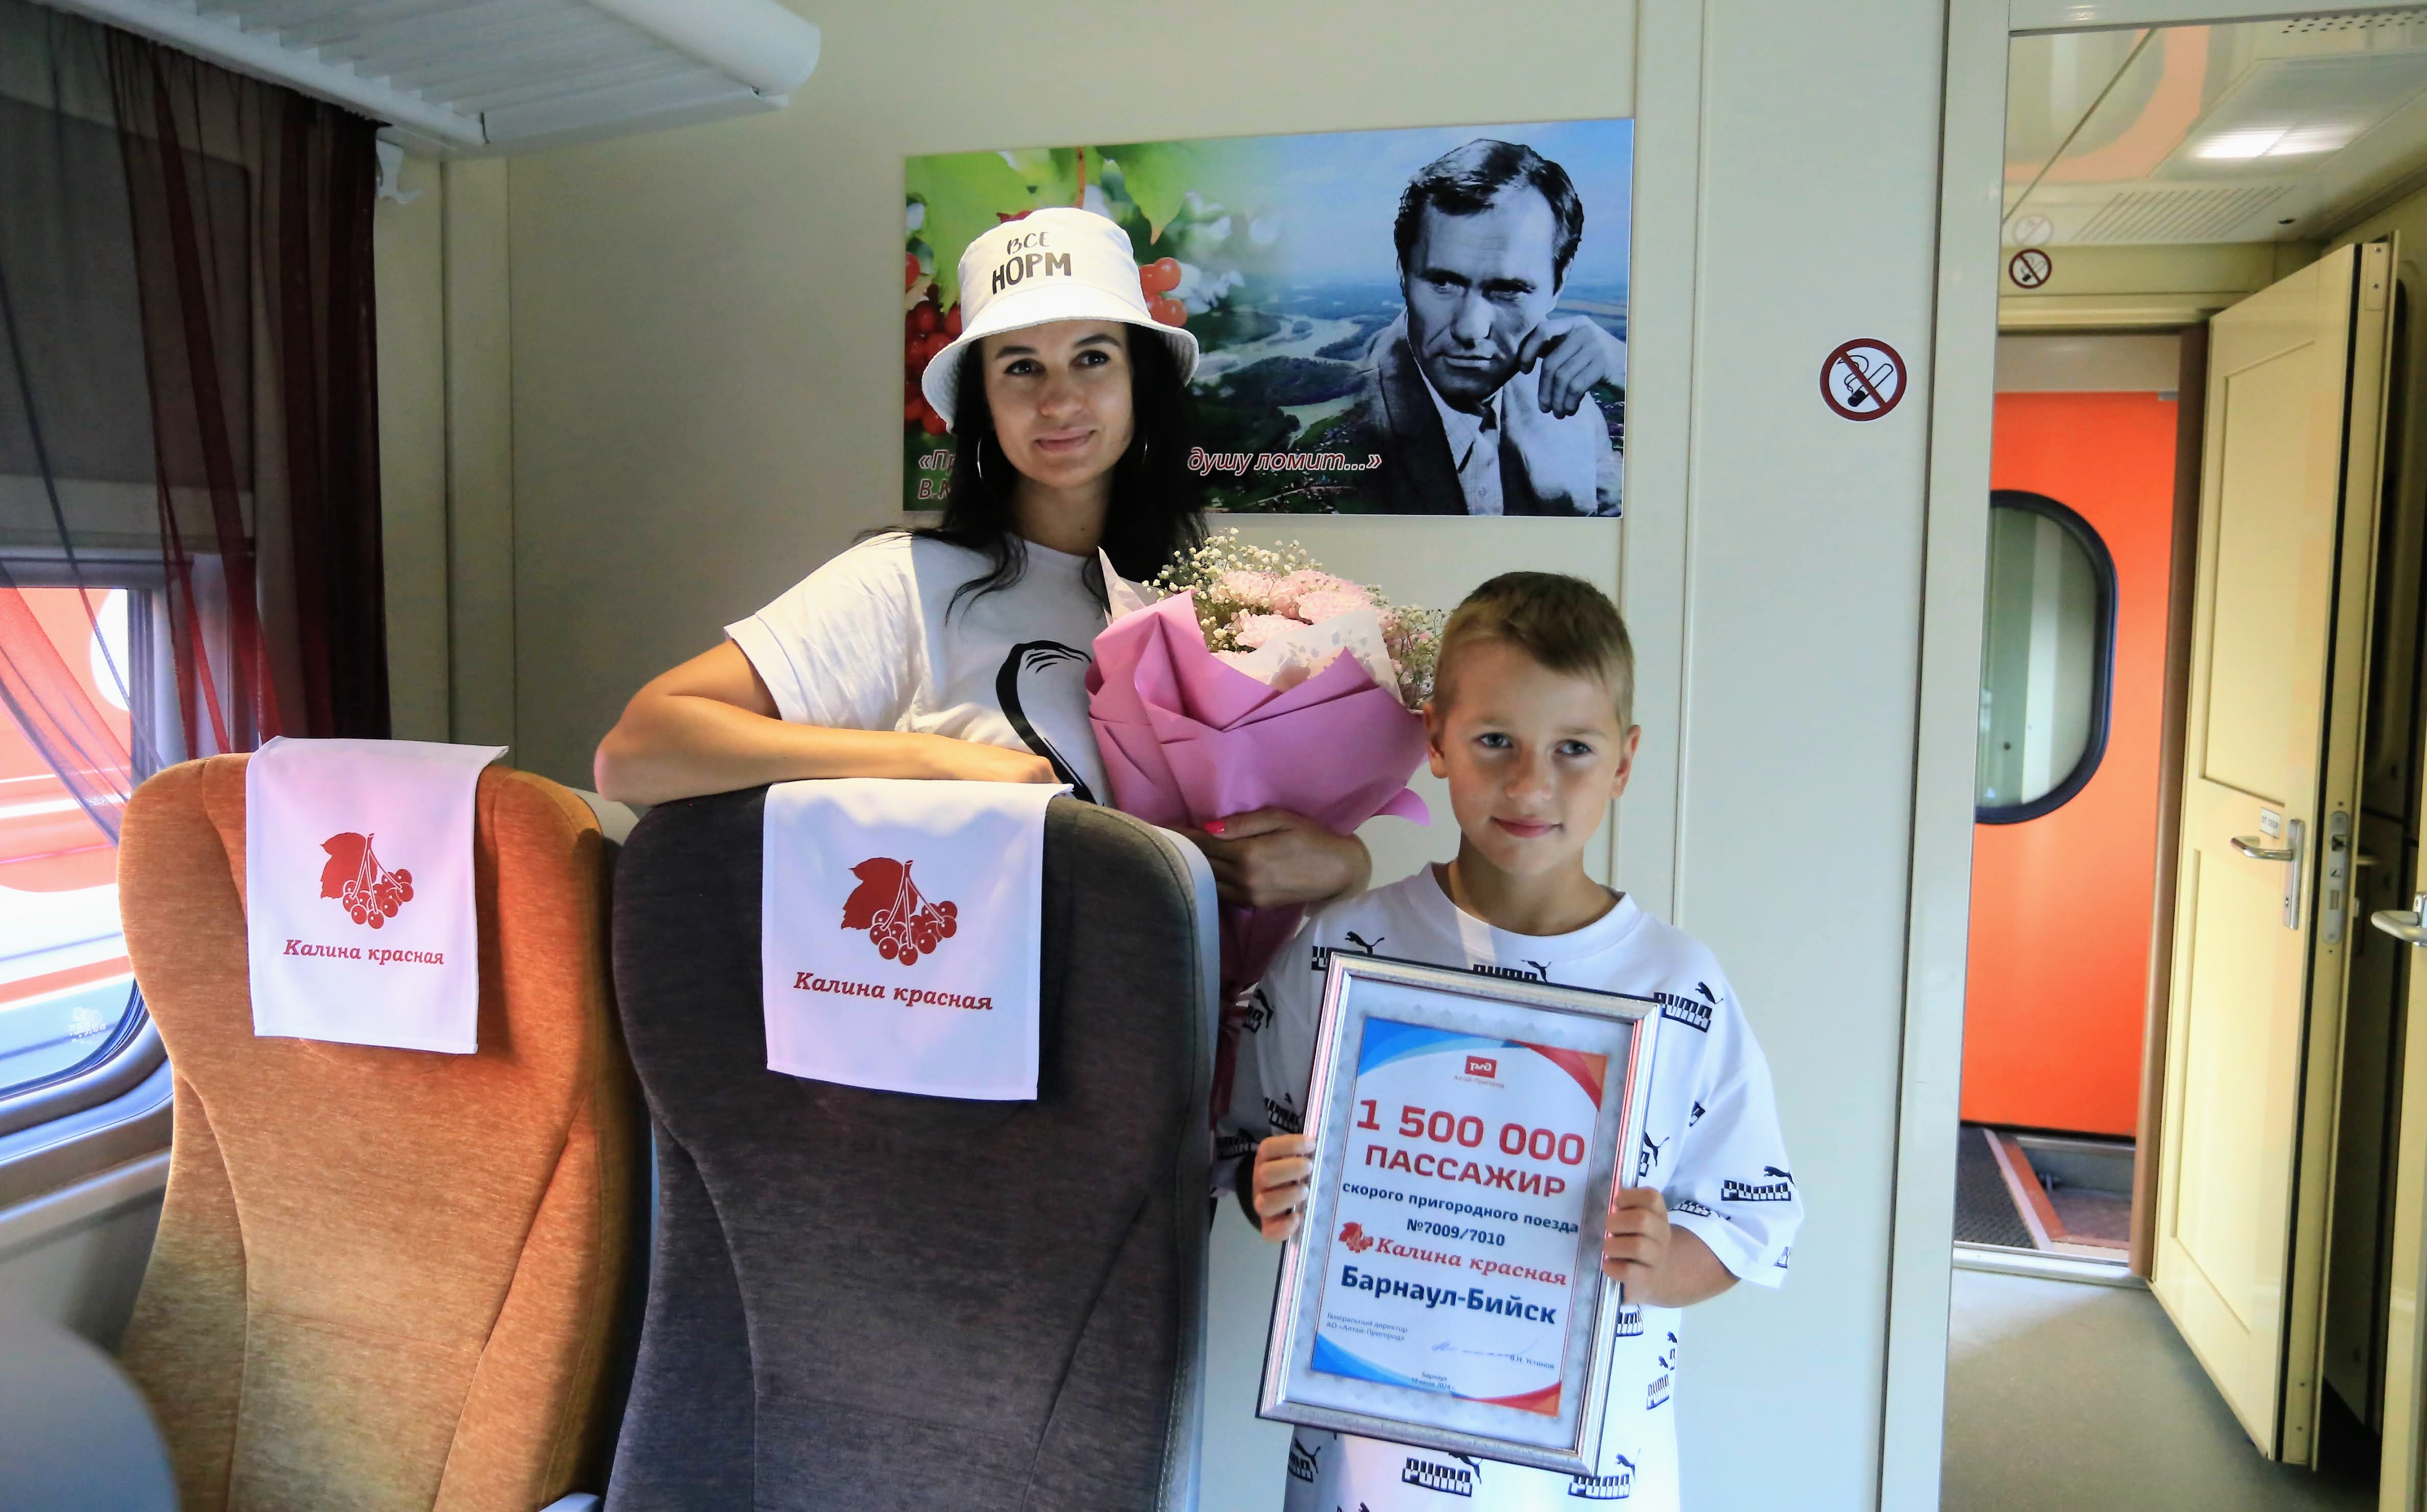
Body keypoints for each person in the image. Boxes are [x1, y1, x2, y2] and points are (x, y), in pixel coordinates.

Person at [595, 206, 1367, 911]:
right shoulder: (903, 581)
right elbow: (637, 752)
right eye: (1020, 366)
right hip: (961, 1006)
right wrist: (938, 764)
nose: (1058, 401)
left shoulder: (1213, 608)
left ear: (1140, 383)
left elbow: (1248, 840)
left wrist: (1346, 865)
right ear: (982, 403)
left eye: (1092, 358)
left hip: (1175, 1009)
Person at [1223, 571, 1798, 1510]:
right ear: (1435, 741)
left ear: (1624, 762)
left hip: (1588, 1476)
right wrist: (1270, 1191)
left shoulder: (1677, 986)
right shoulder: (1343, 949)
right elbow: (1250, 1148)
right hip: (1368, 1463)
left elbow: (1749, 1221)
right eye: (1495, 741)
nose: (1530, 784)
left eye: (1573, 748)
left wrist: (1664, 1263)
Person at [1354, 141, 1626, 517]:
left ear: (1558, 284)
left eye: (1508, 289)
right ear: (1403, 273)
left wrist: (1638, 380)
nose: (1470, 329)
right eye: (1444, 283)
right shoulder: (1350, 412)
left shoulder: (1569, 397)